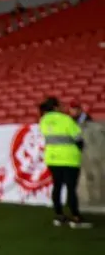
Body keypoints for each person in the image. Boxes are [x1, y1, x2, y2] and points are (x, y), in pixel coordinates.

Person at [39, 98, 90, 228]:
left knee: (57, 186)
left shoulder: (43, 121)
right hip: (69, 159)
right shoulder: (66, 119)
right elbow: (78, 138)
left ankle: (59, 215)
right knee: (71, 189)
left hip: (52, 158)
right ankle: (76, 217)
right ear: (56, 107)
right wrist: (80, 149)